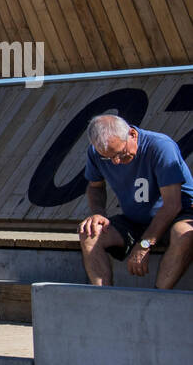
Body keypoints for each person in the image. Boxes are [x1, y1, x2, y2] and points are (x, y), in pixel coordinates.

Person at [78, 115, 193, 289]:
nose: (116, 161)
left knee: (184, 233)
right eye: (109, 158)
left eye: (120, 154)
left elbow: (172, 205)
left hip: (176, 216)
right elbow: (95, 186)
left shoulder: (160, 147)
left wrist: (145, 243)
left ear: (132, 134)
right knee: (89, 233)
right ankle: (103, 296)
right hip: (135, 220)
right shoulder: (96, 153)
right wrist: (98, 213)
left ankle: (156, 298)